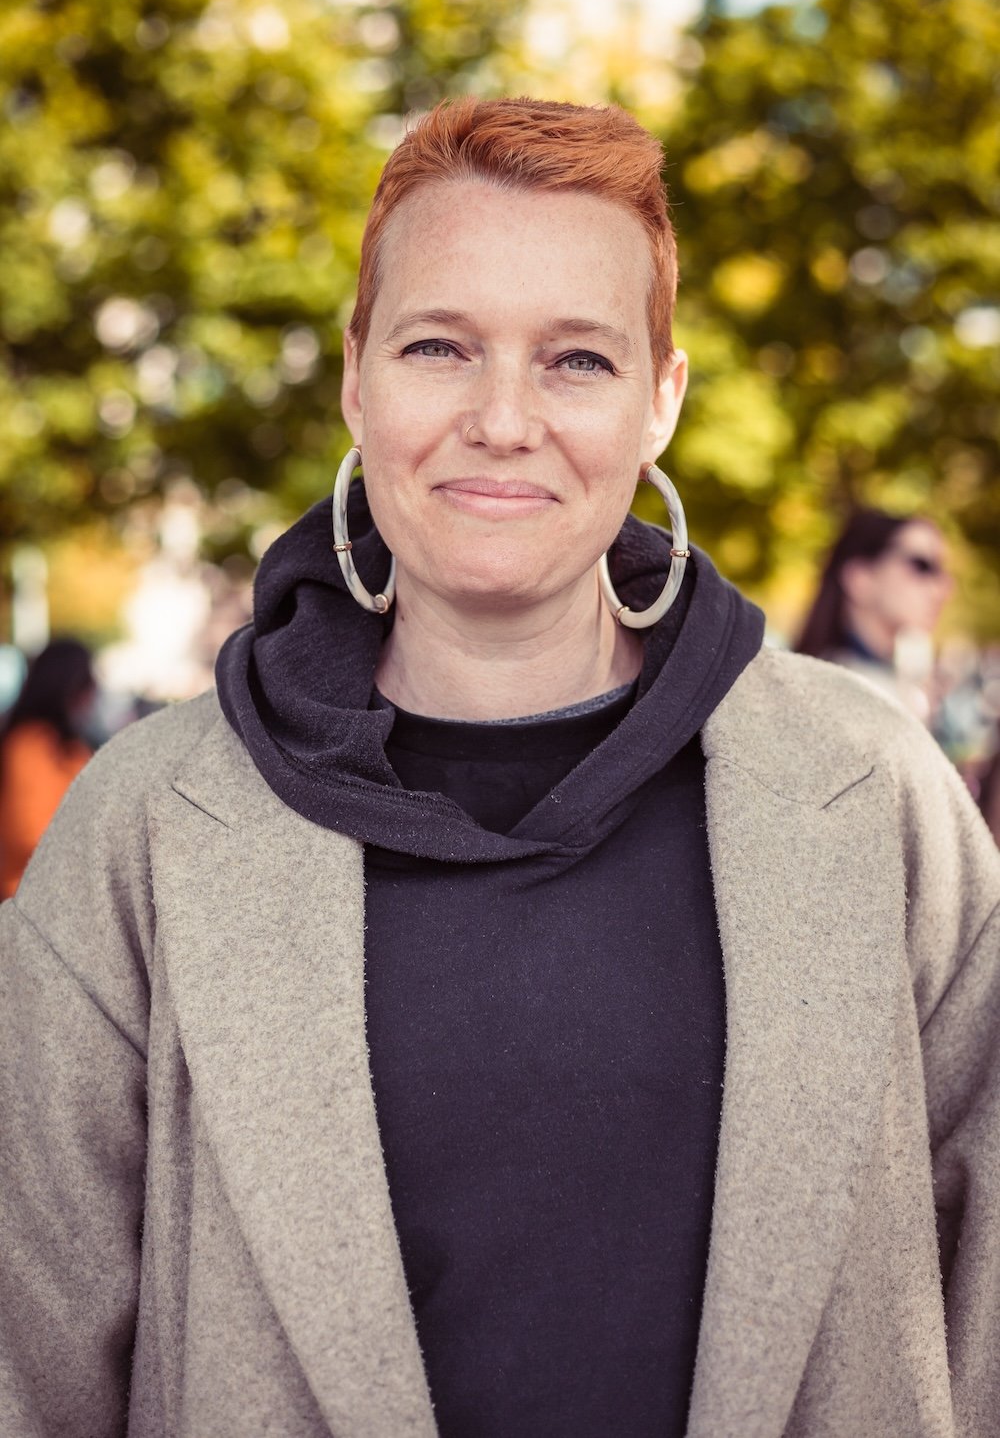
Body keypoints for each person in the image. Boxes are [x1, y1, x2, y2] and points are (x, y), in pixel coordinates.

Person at [1, 99, 998, 1438]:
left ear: (661, 400)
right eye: (439, 347)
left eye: (577, 360)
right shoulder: (142, 828)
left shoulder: (872, 796)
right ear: (356, 379)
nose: (503, 419)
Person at [794, 506, 953, 718]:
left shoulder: (890, 685)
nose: (943, 589)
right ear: (859, 577)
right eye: (921, 566)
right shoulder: (834, 693)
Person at [0, 636, 95, 900]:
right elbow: (28, 833)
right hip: (29, 898)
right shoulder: (30, 744)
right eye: (88, 683)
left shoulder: (70, 744)